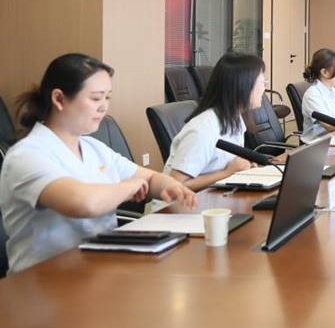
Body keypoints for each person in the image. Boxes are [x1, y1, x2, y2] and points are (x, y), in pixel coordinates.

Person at [0, 54, 196, 273]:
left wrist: (170, 186)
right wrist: (129, 186)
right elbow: (82, 203)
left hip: (97, 268)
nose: (103, 107)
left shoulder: (93, 147)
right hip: (43, 280)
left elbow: (149, 178)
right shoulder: (27, 155)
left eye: (107, 98)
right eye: (95, 98)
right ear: (59, 99)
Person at [163, 52, 267, 191]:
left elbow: (225, 163)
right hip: (182, 203)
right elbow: (175, 185)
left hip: (214, 197)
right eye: (262, 82)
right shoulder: (203, 129)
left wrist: (243, 166)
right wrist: (227, 173)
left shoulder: (235, 119)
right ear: (242, 85)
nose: (264, 88)